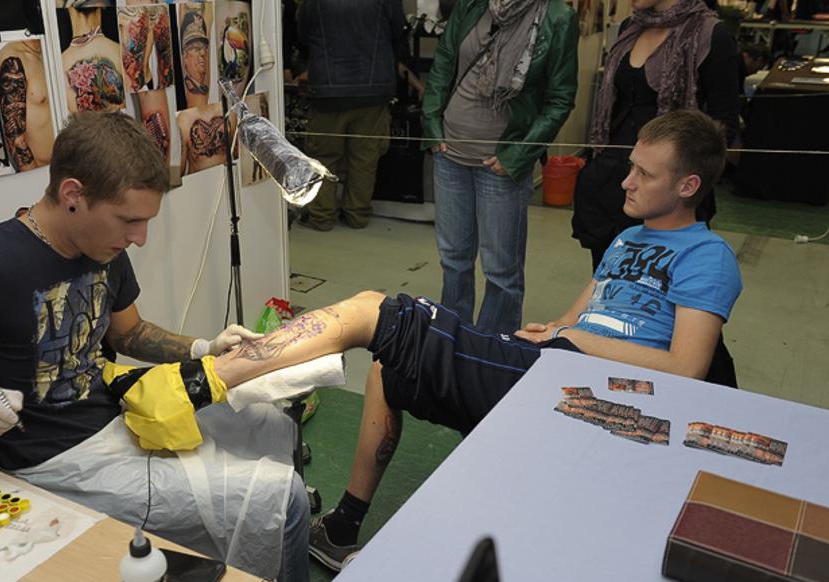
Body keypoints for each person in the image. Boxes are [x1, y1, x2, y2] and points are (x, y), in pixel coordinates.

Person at [169, 110, 739, 571]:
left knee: (377, 312)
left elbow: (685, 369)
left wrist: (566, 337)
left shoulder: (707, 256)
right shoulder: (626, 240)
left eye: (644, 174)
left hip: (595, 389)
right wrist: (554, 331)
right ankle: (341, 529)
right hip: (557, 361)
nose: (626, 180)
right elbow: (573, 323)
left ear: (687, 186)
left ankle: (194, 384)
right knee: (387, 371)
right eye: (631, 167)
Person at [0, 112, 309, 582]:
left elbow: (130, 333)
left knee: (269, 418)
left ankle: (262, 557)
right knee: (284, 499)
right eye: (130, 221)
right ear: (73, 194)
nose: (140, 238)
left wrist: (203, 348)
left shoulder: (102, 247)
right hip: (57, 463)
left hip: (117, 414)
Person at [422, 0, 579, 334]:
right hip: (450, 153)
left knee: (501, 272)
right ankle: (452, 339)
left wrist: (518, 155)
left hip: (501, 164)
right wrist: (432, 126)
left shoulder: (557, 17)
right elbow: (443, 64)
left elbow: (560, 98)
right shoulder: (472, 5)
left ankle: (494, 348)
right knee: (453, 259)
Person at [571, 0, 739, 271]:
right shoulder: (631, 27)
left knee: (658, 279)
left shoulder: (711, 35)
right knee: (605, 278)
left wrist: (676, 182)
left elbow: (723, 128)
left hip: (666, 192)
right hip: (610, 183)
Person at [296, 0, 407, 230]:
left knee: (323, 157)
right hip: (373, 91)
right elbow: (399, 32)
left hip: (326, 93)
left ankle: (321, 217)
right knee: (364, 158)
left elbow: (303, 36)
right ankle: (357, 215)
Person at [0, 39, 56, 172]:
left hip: (63, 167)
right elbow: (14, 137)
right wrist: (32, 178)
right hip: (39, 172)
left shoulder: (49, 49)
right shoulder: (13, 59)